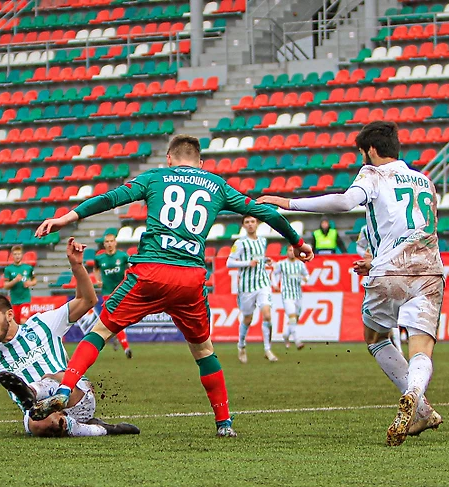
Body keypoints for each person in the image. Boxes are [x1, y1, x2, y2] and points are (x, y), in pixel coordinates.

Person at [34, 134, 314, 437]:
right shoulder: (216, 184)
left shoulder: (155, 177)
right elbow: (264, 212)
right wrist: (297, 242)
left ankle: (65, 389)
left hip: (150, 272)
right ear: (201, 162)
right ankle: (224, 424)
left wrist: (67, 217)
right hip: (190, 279)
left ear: (168, 158)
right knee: (204, 350)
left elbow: (111, 198)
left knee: (100, 332)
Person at [259, 121, 444, 446]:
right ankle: (418, 396)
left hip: (390, 270)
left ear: (371, 151)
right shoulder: (426, 181)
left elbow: (346, 202)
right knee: (421, 347)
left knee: (375, 337)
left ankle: (420, 405)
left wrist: (289, 203)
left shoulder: (373, 174)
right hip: (430, 270)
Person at [0, 238, 140, 439]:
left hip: (74, 396)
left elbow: (87, 300)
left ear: (10, 315)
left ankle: (30, 392)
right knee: (38, 423)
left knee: (53, 377)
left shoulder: (42, 323)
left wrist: (76, 265)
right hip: (43, 415)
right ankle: (101, 429)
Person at [228, 215, 278, 363]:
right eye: (247, 222)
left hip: (262, 283)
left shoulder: (262, 241)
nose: (250, 224)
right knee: (247, 319)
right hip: (246, 286)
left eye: (253, 222)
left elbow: (258, 258)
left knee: (267, 315)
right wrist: (247, 263)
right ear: (243, 226)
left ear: (257, 224)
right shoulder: (240, 243)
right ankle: (241, 345)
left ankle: (267, 349)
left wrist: (265, 260)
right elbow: (229, 263)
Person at [356, 226, 402, 353]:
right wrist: (364, 254)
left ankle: (397, 348)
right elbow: (359, 246)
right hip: (374, 272)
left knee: (393, 314)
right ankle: (394, 347)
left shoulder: (393, 223)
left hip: (389, 270)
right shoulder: (365, 229)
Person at [94, 233, 133, 358]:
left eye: (111, 241)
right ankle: (126, 348)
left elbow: (131, 268)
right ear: (104, 244)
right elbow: (95, 269)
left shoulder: (122, 256)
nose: (109, 244)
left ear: (115, 242)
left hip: (120, 292)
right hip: (107, 293)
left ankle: (115, 336)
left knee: (118, 320)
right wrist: (97, 280)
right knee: (115, 319)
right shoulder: (100, 258)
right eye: (107, 242)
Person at [271, 246, 309, 350]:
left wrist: (305, 280)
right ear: (287, 252)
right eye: (289, 250)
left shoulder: (300, 264)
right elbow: (273, 274)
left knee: (295, 318)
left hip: (298, 295)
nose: (291, 253)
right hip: (287, 294)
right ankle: (297, 341)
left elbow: (306, 275)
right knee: (292, 317)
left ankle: (286, 335)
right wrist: (275, 284)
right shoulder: (282, 264)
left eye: (293, 251)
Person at [3, 245, 37, 324]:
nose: (17, 256)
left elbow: (34, 280)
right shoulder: (8, 269)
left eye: (19, 254)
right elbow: (5, 286)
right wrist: (15, 280)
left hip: (25, 299)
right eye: (15, 254)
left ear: (22, 255)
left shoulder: (28, 268)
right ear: (12, 255)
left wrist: (30, 283)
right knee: (17, 323)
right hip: (14, 300)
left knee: (23, 321)